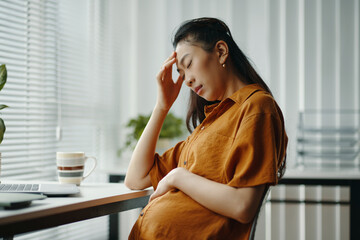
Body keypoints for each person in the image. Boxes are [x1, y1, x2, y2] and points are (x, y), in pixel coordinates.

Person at [125, 17, 288, 240]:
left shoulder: (256, 107)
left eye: (188, 64)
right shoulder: (209, 125)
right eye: (181, 74)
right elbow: (135, 178)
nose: (186, 81)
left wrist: (177, 177)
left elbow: (243, 205)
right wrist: (161, 107)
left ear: (221, 51)